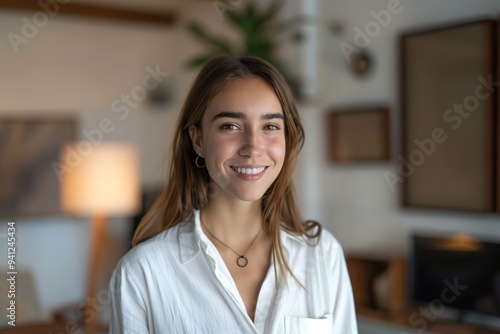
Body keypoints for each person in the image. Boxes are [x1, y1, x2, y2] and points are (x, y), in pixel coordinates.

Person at [109, 55, 358, 333]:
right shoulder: (142, 273)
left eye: (270, 127)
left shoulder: (322, 255)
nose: (253, 147)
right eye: (230, 126)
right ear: (198, 140)